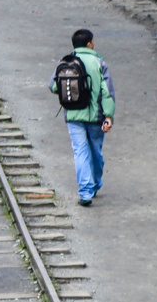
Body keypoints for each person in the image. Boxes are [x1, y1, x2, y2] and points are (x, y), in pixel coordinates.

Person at [48, 28, 115, 206]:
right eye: (93, 41)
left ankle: (85, 193)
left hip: (73, 115)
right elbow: (106, 92)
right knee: (95, 152)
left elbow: (53, 87)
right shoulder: (99, 62)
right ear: (88, 44)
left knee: (80, 152)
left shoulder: (65, 61)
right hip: (95, 117)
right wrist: (108, 116)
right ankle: (94, 184)